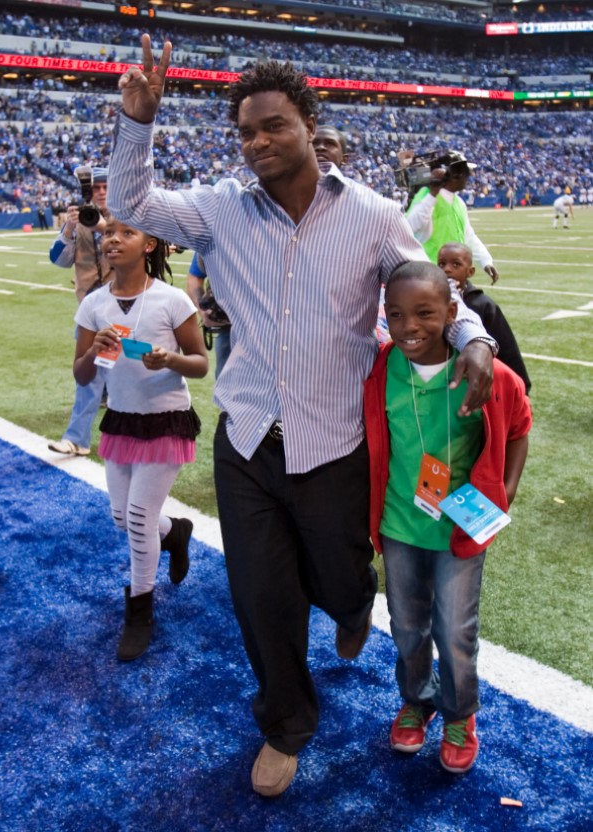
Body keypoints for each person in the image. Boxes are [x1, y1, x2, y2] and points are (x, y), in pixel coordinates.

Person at [108, 37, 497, 797]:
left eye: (272, 126)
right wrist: (137, 123)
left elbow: (422, 288)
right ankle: (286, 723)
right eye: (245, 132)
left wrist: (473, 337)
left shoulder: (376, 215)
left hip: (334, 445)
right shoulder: (219, 211)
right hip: (248, 439)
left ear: (308, 121)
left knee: (339, 577)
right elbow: (131, 203)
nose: (256, 143)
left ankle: (353, 603)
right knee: (261, 596)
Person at [364, 262, 531, 774]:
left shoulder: (485, 372)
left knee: (455, 630)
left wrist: (505, 493)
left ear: (452, 313)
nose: (409, 326)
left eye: (424, 313)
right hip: (398, 523)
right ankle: (418, 699)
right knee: (407, 626)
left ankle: (460, 713)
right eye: (396, 315)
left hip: (461, 526)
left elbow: (521, 426)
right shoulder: (382, 369)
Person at [73, 218, 208, 661]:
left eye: (125, 232)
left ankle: (140, 610)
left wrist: (170, 358)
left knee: (135, 516)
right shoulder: (94, 304)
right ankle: (175, 534)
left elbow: (200, 364)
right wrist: (93, 351)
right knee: (120, 517)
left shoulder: (170, 300)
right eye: (108, 232)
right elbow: (81, 373)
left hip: (165, 420)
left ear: (150, 243)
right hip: (123, 420)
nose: (113, 238)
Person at [48, 167, 114, 456]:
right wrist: (70, 228)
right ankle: (77, 439)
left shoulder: (128, 216)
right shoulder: (79, 221)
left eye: (104, 187)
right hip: (90, 309)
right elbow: (59, 261)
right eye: (95, 188)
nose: (99, 192)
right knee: (87, 375)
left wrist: (103, 227)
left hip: (122, 308)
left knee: (136, 371)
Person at [437, 243, 531, 394]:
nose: (447, 269)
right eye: (441, 264)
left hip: (478, 387)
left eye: (456, 264)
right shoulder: (434, 303)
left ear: (470, 272)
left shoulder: (483, 305)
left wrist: (523, 390)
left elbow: (508, 349)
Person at [405, 152, 499, 284]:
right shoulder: (426, 196)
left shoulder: (458, 202)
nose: (468, 177)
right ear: (452, 175)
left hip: (453, 276)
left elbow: (468, 236)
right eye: (465, 173)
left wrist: (486, 261)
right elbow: (410, 226)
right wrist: (432, 195)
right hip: (430, 276)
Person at [186, 251, 232, 378]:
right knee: (227, 385)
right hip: (230, 329)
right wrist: (203, 311)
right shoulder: (217, 236)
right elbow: (195, 277)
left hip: (274, 328)